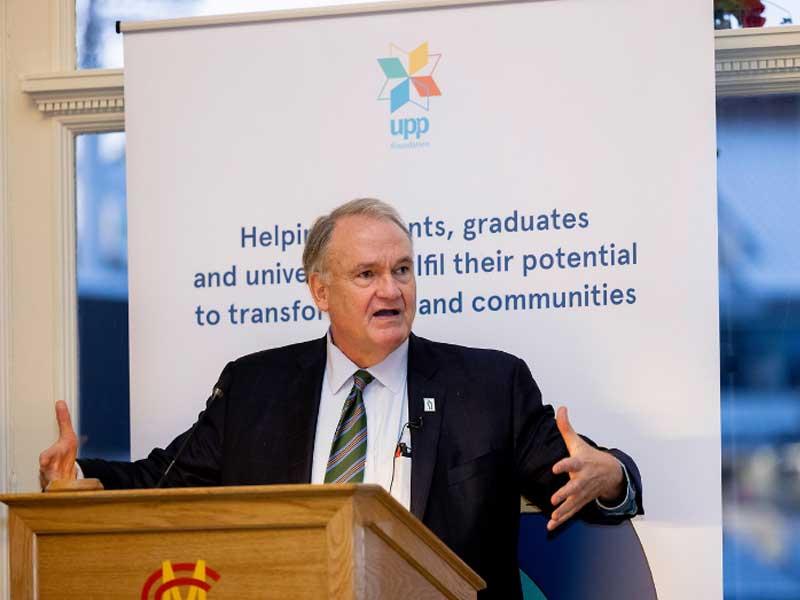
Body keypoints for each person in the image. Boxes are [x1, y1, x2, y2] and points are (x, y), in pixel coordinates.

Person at [40, 198, 643, 600]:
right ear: (319, 290)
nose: (392, 290)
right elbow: (166, 482)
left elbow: (577, 481)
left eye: (403, 270)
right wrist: (83, 483)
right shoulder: (254, 387)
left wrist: (609, 474)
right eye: (367, 274)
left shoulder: (489, 385)